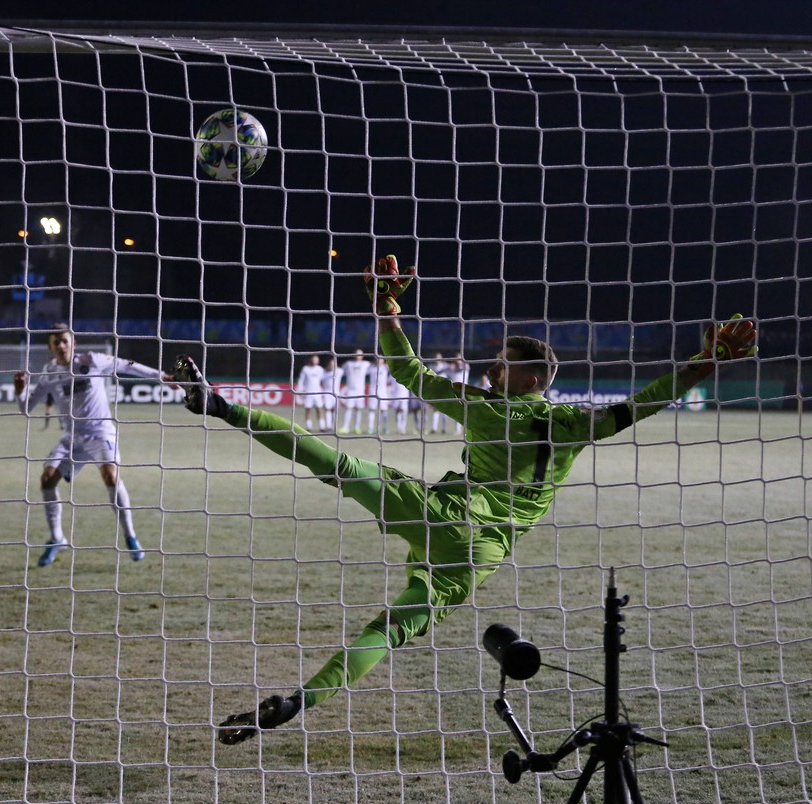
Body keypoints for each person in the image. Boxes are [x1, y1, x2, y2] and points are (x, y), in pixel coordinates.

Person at [172, 254, 757, 745]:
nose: (491, 369)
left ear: (526, 379)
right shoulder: (575, 424)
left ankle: (219, 405)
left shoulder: (483, 408)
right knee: (392, 627)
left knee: (334, 463)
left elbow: (405, 368)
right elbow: (644, 402)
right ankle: (301, 701)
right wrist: (704, 363)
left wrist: (386, 309)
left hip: (448, 514)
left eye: (501, 365)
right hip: (485, 556)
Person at [14, 322, 173, 567]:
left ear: (73, 343)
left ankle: (130, 536)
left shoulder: (92, 360)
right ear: (50, 347)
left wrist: (161, 377)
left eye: (65, 340)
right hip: (72, 438)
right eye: (56, 342)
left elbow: (127, 365)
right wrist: (20, 390)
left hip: (101, 433)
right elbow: (25, 408)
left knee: (110, 475)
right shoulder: (48, 372)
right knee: (46, 479)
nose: (61, 345)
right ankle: (57, 538)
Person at [339, 349, 371, 434]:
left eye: (360, 354)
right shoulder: (348, 364)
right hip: (350, 390)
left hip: (360, 391)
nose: (358, 356)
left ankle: (357, 427)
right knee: (348, 408)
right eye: (357, 354)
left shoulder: (366, 364)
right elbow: (341, 372)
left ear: (362, 356)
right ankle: (346, 427)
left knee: (358, 409)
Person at [294, 354, 326, 431]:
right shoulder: (305, 369)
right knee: (308, 410)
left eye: (317, 359)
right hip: (308, 393)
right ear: (311, 360)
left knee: (319, 409)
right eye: (314, 359)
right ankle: (309, 427)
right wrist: (300, 391)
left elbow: (324, 380)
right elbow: (301, 381)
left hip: (317, 393)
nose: (315, 360)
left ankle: (322, 427)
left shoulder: (320, 369)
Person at [367, 357, 391, 434]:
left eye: (380, 359)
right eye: (377, 359)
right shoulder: (371, 368)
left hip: (383, 392)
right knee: (372, 410)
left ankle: (385, 428)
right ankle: (370, 428)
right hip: (373, 392)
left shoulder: (385, 368)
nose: (379, 360)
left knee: (384, 410)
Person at [321, 357, 343, 431]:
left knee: (335, 410)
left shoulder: (339, 371)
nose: (332, 365)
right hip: (327, 394)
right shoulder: (324, 372)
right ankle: (328, 426)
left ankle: (334, 425)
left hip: (336, 394)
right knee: (327, 409)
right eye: (331, 364)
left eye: (334, 364)